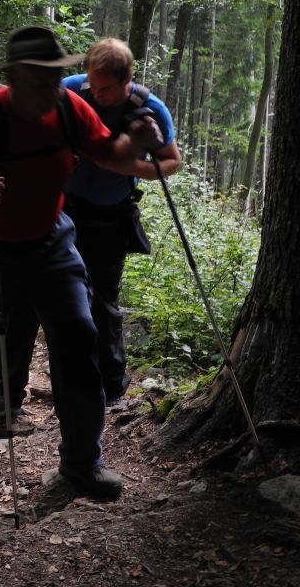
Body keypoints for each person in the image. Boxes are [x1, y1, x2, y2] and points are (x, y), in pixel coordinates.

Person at [0, 26, 163, 499]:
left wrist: (138, 142)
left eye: (54, 76)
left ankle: (83, 462)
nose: (51, 87)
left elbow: (111, 156)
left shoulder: (67, 106)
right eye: (40, 79)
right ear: (14, 78)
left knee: (80, 339)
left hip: (50, 240)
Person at [62, 38, 182, 404]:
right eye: (93, 86)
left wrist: (127, 166)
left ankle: (112, 384)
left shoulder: (148, 107)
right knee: (60, 297)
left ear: (128, 78)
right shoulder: (70, 91)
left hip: (110, 216)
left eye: (107, 88)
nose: (98, 94)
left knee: (103, 301)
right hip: (62, 208)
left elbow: (171, 161)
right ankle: (69, 376)